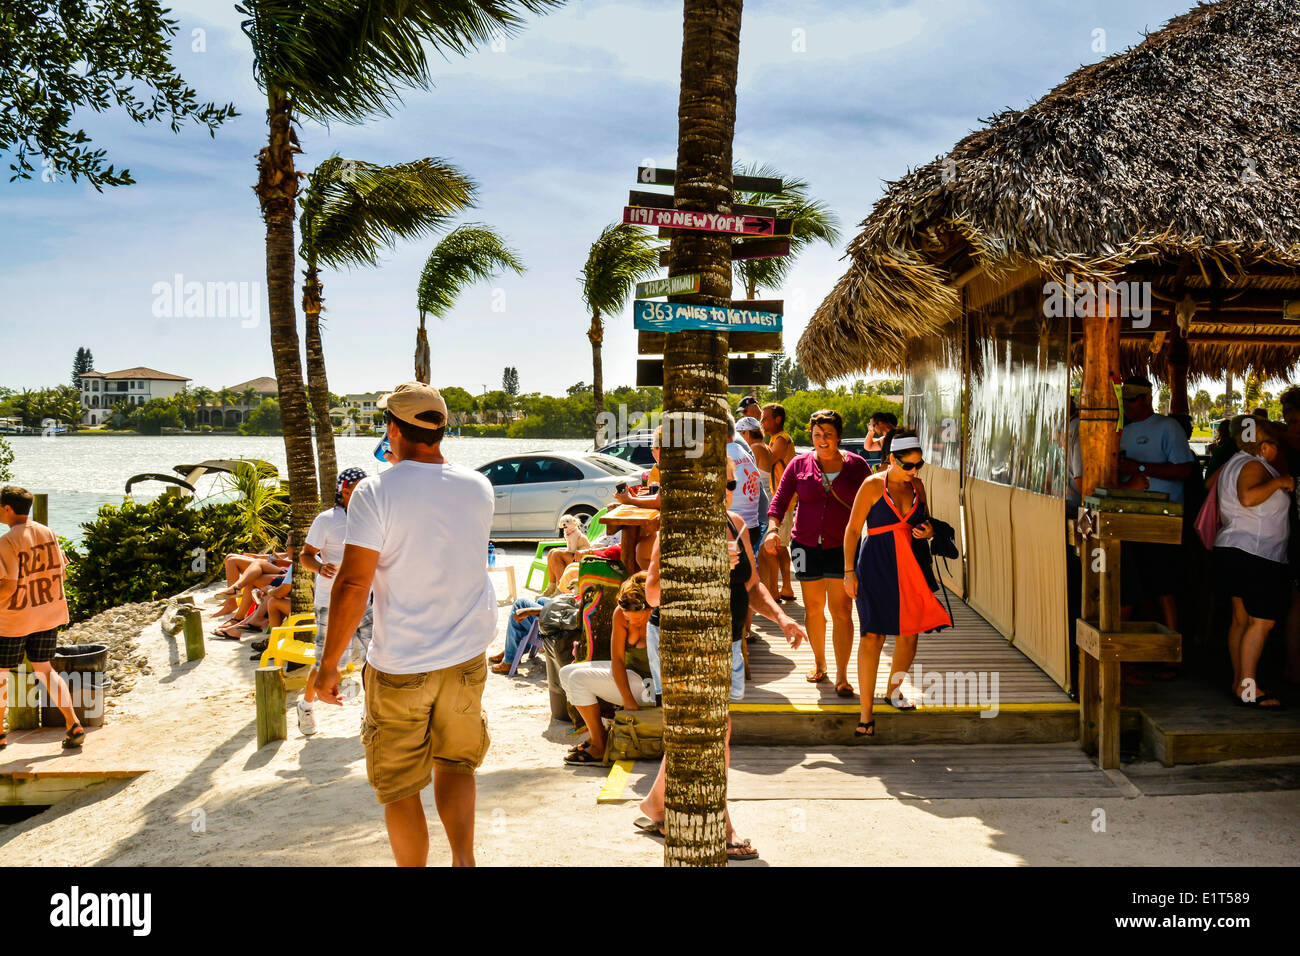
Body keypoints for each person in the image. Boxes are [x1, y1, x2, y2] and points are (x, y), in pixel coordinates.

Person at [314, 382, 495, 868]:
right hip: (465, 659)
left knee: (400, 787)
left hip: (400, 665)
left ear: (393, 428)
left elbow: (353, 584)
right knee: (456, 765)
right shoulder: (478, 486)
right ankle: (464, 862)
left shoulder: (375, 492)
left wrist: (328, 665)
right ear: (441, 429)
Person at [637, 457, 807, 860]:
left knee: (701, 730)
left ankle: (656, 804)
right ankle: (722, 825)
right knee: (714, 731)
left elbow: (752, 584)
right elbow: (653, 595)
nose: (728, 492)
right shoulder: (675, 529)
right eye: (722, 483)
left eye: (731, 485)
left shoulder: (737, 525)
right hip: (680, 641)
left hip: (726, 641)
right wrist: (707, 563)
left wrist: (782, 618)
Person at [843, 429, 952, 737]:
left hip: (911, 565)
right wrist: (849, 572)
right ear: (891, 459)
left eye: (919, 464)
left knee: (909, 636)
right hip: (876, 565)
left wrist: (929, 531)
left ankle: (893, 691)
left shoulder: (918, 486)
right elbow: (853, 530)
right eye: (908, 465)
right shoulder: (872, 485)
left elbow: (925, 520)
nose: (914, 470)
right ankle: (866, 713)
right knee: (872, 637)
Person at [765, 409, 871, 696]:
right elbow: (779, 501)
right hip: (805, 545)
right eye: (817, 434)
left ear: (839, 436)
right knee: (813, 608)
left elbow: (874, 501)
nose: (822, 439)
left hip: (843, 547)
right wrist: (773, 529)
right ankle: (819, 663)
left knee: (841, 611)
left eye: (828, 434)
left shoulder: (858, 466)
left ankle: (842, 675)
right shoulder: (799, 464)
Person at [1214, 415, 1292, 708]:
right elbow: (1247, 498)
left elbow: (1210, 484)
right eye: (1276, 444)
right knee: (1261, 622)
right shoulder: (1254, 465)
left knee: (1241, 620)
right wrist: (1281, 482)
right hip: (1255, 553)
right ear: (1265, 446)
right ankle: (1248, 688)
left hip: (1234, 549)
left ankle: (1240, 684)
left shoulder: (1232, 463)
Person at [0, 485, 85, 751]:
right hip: (46, 615)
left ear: (7, 508)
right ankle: (73, 723)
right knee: (45, 670)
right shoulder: (48, 532)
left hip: (13, 620)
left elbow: (8, 586)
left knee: (1, 674)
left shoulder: (6, 542)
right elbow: (62, 573)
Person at [1117, 376, 1197, 641]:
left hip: (1163, 520)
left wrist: (1139, 467)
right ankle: (1146, 646)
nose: (1128, 405)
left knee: (1164, 588)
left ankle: (1171, 651)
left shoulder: (1167, 427)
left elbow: (1184, 470)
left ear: (1147, 398)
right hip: (1131, 519)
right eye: (1125, 401)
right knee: (1138, 589)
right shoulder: (1125, 431)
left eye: (1132, 400)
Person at [295, 468, 374, 736]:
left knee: (374, 658)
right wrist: (320, 567)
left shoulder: (372, 517)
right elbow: (305, 555)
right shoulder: (326, 520)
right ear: (344, 491)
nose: (363, 493)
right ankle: (306, 706)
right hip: (332, 601)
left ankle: (368, 711)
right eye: (356, 489)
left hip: (369, 600)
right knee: (326, 661)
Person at [558, 573, 657, 764]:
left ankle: (598, 746)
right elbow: (617, 660)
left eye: (637, 620)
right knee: (566, 673)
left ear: (649, 608)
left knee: (577, 679)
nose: (631, 622)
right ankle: (599, 737)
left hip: (651, 687)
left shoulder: (659, 615)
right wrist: (628, 701)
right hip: (632, 678)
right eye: (628, 619)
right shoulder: (620, 613)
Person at [491, 562, 580, 674]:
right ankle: (512, 650)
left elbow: (568, 614)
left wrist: (530, 611)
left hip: (565, 625)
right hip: (571, 608)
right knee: (541, 600)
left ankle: (509, 659)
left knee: (520, 604)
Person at [760, 402, 797, 602]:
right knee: (781, 546)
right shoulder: (775, 439)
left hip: (783, 502)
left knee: (777, 547)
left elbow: (768, 460)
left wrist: (756, 445)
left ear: (778, 419)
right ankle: (787, 587)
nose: (762, 422)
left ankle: (781, 588)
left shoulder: (782, 439)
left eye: (765, 419)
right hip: (781, 501)